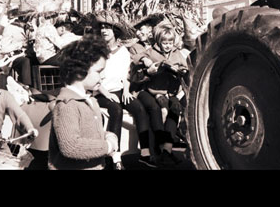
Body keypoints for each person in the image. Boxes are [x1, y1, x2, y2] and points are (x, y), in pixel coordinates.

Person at [93, 11, 156, 169]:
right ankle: (115, 157)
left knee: (139, 109)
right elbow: (94, 79)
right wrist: (107, 94)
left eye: (108, 27)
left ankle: (145, 154)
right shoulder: (96, 52)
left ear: (114, 32)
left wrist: (127, 91)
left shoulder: (123, 52)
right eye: (102, 27)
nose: (104, 30)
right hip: (102, 92)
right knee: (116, 110)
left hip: (121, 90)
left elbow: (126, 75)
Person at [48, 38, 119, 170]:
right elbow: (71, 146)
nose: (102, 76)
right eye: (99, 71)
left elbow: (90, 135)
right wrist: (107, 146)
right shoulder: (67, 105)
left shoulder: (90, 101)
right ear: (80, 72)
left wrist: (107, 135)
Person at [136, 21, 187, 167]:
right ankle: (158, 148)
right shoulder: (152, 51)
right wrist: (146, 60)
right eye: (164, 42)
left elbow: (184, 66)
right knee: (158, 111)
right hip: (155, 91)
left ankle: (168, 150)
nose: (168, 45)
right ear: (159, 41)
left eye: (170, 42)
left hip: (171, 91)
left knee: (174, 111)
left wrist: (181, 70)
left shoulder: (177, 53)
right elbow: (137, 58)